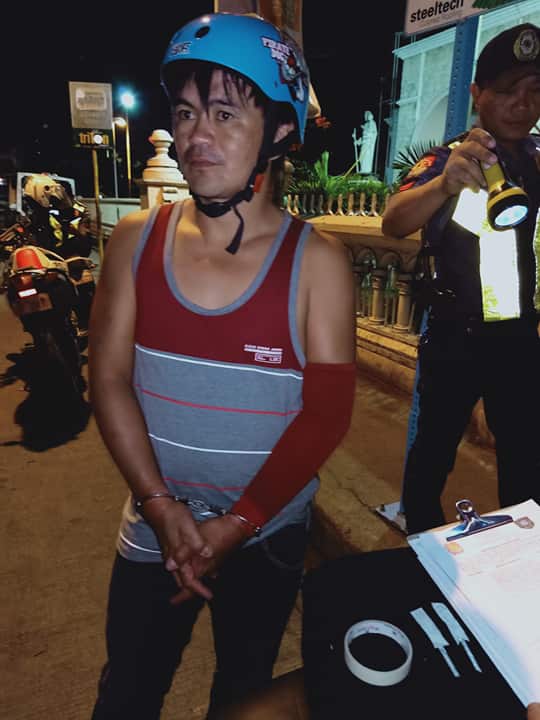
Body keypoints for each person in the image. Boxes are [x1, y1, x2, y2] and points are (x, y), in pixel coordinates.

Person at [89, 12, 356, 719]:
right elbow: (107, 379)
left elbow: (327, 413)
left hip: (266, 534)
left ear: (279, 129)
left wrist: (238, 524)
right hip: (156, 526)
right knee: (127, 691)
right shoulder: (135, 241)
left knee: (243, 695)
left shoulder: (318, 264)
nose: (195, 135)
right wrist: (161, 507)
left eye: (224, 114)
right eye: (184, 112)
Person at [382, 23, 540, 535]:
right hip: (455, 334)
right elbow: (393, 221)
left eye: (534, 90)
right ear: (477, 94)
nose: (522, 104)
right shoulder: (450, 158)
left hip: (520, 336)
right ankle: (421, 540)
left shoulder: (537, 160)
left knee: (525, 454)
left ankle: (521, 553)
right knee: (433, 449)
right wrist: (445, 184)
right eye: (507, 90)